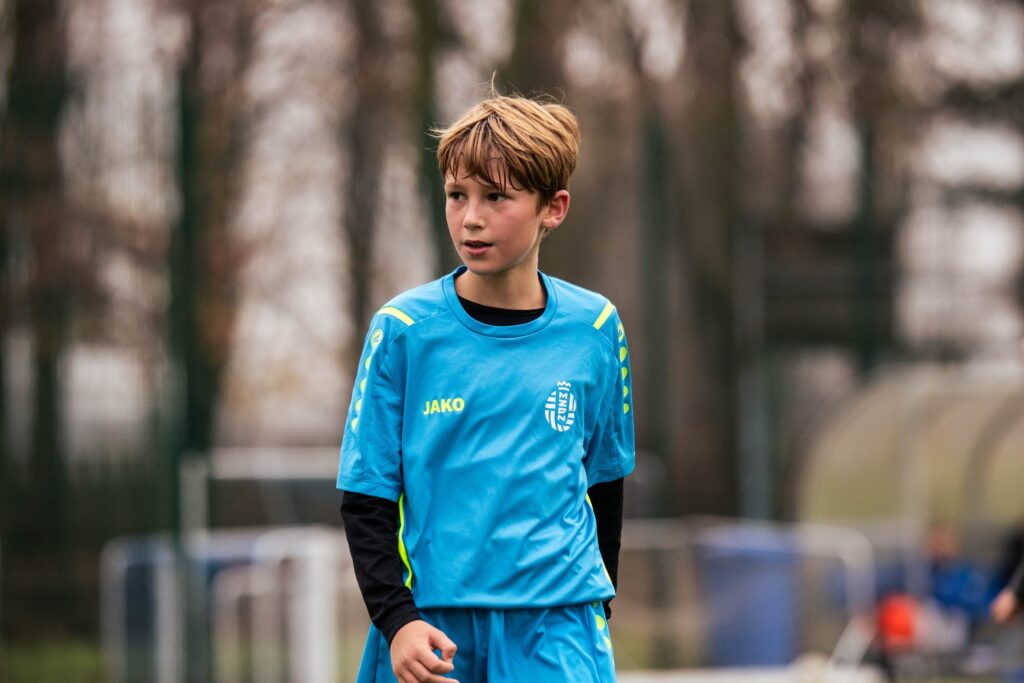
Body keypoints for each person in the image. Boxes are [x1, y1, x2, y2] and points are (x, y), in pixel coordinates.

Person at [337, 93, 635, 683]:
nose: (471, 217)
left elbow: (605, 482)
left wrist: (595, 611)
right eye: (457, 195)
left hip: (558, 625)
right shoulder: (403, 331)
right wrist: (397, 621)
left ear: (553, 208)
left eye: (496, 197)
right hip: (432, 630)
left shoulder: (597, 328)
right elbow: (366, 496)